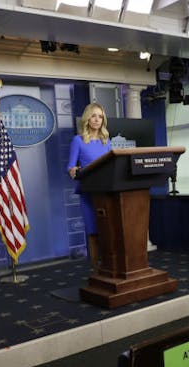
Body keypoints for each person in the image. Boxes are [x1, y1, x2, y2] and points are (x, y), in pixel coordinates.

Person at [66, 103, 112, 268]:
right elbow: (70, 167)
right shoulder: (78, 140)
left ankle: (110, 265)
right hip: (89, 192)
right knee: (94, 231)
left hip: (107, 191)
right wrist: (73, 171)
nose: (97, 119)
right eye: (93, 116)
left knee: (108, 231)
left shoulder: (106, 141)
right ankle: (96, 269)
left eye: (100, 116)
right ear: (87, 118)